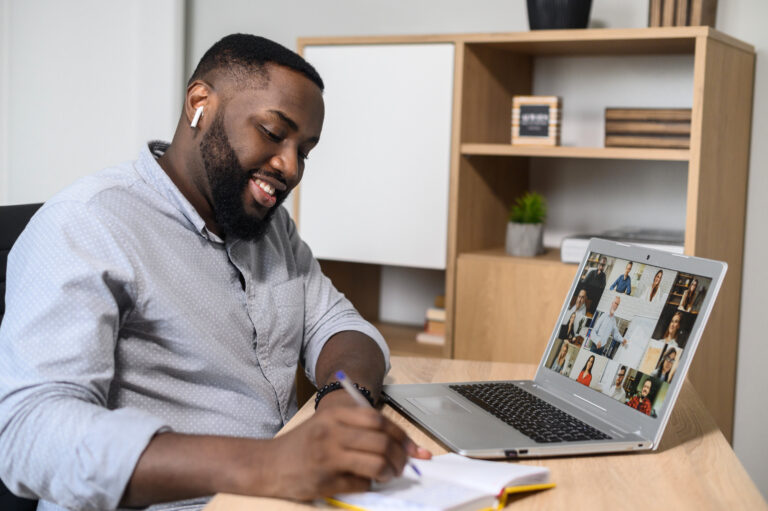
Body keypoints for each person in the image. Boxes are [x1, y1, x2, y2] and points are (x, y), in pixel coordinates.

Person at [0, 34, 430, 511]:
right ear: (199, 103)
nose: (289, 166)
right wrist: (269, 464)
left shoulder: (270, 229)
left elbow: (341, 328)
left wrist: (343, 398)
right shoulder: (86, 223)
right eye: (272, 132)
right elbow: (28, 434)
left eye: (304, 150)